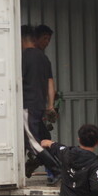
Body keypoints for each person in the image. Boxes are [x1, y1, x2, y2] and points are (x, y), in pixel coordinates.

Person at [22, 24, 58, 183]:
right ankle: (51, 171)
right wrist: (50, 106)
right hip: (38, 106)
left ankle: (57, 170)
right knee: (44, 138)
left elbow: (18, 81)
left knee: (32, 141)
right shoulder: (44, 58)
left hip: (27, 105)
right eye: (45, 39)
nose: (47, 42)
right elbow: (50, 83)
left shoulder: (24, 57)